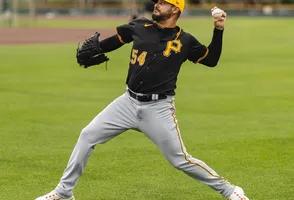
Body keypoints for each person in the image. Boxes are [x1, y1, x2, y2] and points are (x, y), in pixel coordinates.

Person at [35, 0, 250, 199]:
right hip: (127, 103)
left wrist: (219, 28)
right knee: (87, 135)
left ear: (175, 10)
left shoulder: (185, 40)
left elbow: (211, 60)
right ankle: (64, 192)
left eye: (163, 2)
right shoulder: (139, 27)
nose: (157, 4)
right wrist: (97, 49)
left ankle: (230, 191)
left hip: (159, 109)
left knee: (180, 159)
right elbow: (114, 42)